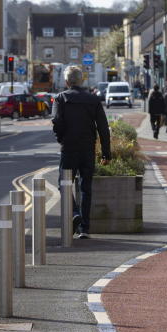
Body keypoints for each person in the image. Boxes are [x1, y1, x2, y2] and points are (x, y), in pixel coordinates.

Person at [52, 65, 111, 240]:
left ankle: (74, 213)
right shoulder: (93, 100)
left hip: (69, 148)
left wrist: (61, 138)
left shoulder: (61, 98)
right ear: (82, 80)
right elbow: (103, 127)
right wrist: (106, 152)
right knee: (86, 187)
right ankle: (84, 228)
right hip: (88, 149)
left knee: (64, 184)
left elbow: (56, 122)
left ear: (66, 81)